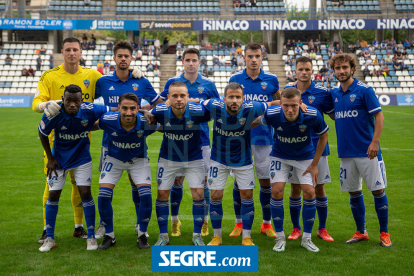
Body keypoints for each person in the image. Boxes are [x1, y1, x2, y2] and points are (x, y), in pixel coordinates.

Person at [32, 37, 144, 244]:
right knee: (52, 186)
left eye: (75, 49)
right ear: (62, 52)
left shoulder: (93, 76)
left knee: (80, 187)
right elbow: (36, 102)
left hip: (82, 138)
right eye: (67, 50)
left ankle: (79, 226)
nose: (72, 53)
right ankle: (46, 230)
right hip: (56, 139)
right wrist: (46, 106)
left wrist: (133, 74)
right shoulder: (49, 75)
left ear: (81, 52)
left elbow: (114, 86)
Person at [94, 41, 163, 239]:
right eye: (120, 56)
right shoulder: (103, 82)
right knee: (106, 188)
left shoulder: (142, 81)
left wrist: (149, 112)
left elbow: (158, 104)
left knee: (137, 185)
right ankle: (103, 225)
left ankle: (139, 224)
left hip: (135, 142)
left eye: (127, 56)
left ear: (132, 59)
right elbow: (92, 104)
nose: (123, 59)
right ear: (114, 58)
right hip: (110, 143)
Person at [203, 83, 280, 246]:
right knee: (216, 196)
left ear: (243, 99)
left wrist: (298, 104)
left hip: (243, 160)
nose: (234, 100)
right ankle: (217, 236)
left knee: (247, 196)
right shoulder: (214, 105)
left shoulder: (252, 107)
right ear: (223, 99)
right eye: (231, 97)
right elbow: (197, 101)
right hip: (218, 159)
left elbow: (273, 104)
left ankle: (246, 236)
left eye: (238, 97)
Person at [38, 84, 112, 252]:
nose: (72, 104)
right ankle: (49, 238)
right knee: (54, 194)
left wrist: (141, 110)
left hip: (81, 159)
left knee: (85, 193)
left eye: (76, 101)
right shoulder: (54, 112)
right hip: (59, 160)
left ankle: (91, 237)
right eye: (68, 101)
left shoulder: (90, 109)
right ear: (63, 100)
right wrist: (50, 158)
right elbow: (42, 133)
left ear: (81, 100)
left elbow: (112, 109)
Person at [331, 53, 391, 247]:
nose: (341, 71)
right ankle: (361, 231)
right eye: (337, 68)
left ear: (352, 68)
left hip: (368, 151)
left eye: (344, 68)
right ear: (333, 71)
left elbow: (379, 117)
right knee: (354, 193)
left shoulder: (365, 90)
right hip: (346, 153)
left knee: (377, 190)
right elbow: (335, 116)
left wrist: (375, 142)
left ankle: (384, 232)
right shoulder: (334, 94)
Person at [158, 48, 219, 237]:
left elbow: (218, 109)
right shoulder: (173, 83)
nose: (191, 63)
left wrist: (192, 102)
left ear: (199, 62)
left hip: (201, 141)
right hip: (175, 140)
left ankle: (204, 223)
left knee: (204, 184)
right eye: (187, 60)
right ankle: (175, 221)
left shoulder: (208, 84)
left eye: (194, 60)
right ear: (182, 62)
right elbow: (157, 105)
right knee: (176, 182)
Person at [142, 81, 212, 246]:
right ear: (168, 97)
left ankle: (197, 235)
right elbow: (141, 111)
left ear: (188, 97)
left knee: (198, 195)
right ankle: (163, 236)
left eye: (182, 96)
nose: (179, 99)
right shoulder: (160, 110)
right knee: (162, 195)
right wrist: (146, 114)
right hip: (168, 159)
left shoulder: (198, 111)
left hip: (194, 158)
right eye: (175, 96)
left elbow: (217, 109)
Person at [264, 85, 329, 254]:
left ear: (301, 103)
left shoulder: (312, 115)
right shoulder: (272, 114)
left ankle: (306, 239)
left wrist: (314, 164)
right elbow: (254, 121)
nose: (290, 109)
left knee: (309, 192)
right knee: (277, 191)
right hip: (279, 155)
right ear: (280, 104)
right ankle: (280, 238)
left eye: (294, 105)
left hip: (305, 156)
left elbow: (324, 137)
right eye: (285, 105)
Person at [228, 43, 280, 239]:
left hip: (265, 138)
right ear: (244, 57)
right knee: (239, 182)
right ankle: (239, 223)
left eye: (257, 56)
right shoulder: (235, 79)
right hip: (240, 138)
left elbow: (277, 103)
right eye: (250, 56)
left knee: (266, 182)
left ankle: (266, 224)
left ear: (262, 57)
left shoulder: (272, 80)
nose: (254, 59)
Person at [284, 57, 335, 243]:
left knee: (319, 188)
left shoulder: (322, 93)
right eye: (300, 69)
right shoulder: (287, 91)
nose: (304, 72)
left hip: (317, 148)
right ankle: (296, 228)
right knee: (296, 188)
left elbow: (335, 115)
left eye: (307, 69)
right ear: (295, 71)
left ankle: (322, 228)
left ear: (312, 70)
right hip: (293, 149)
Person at [96, 93, 156, 250]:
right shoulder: (107, 120)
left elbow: (161, 123)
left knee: (145, 195)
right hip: (114, 159)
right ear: (119, 108)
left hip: (138, 159)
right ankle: (109, 235)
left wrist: (146, 112)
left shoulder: (147, 122)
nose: (128, 113)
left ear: (137, 108)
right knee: (103, 196)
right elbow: (92, 123)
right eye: (124, 108)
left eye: (132, 108)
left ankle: (142, 234)